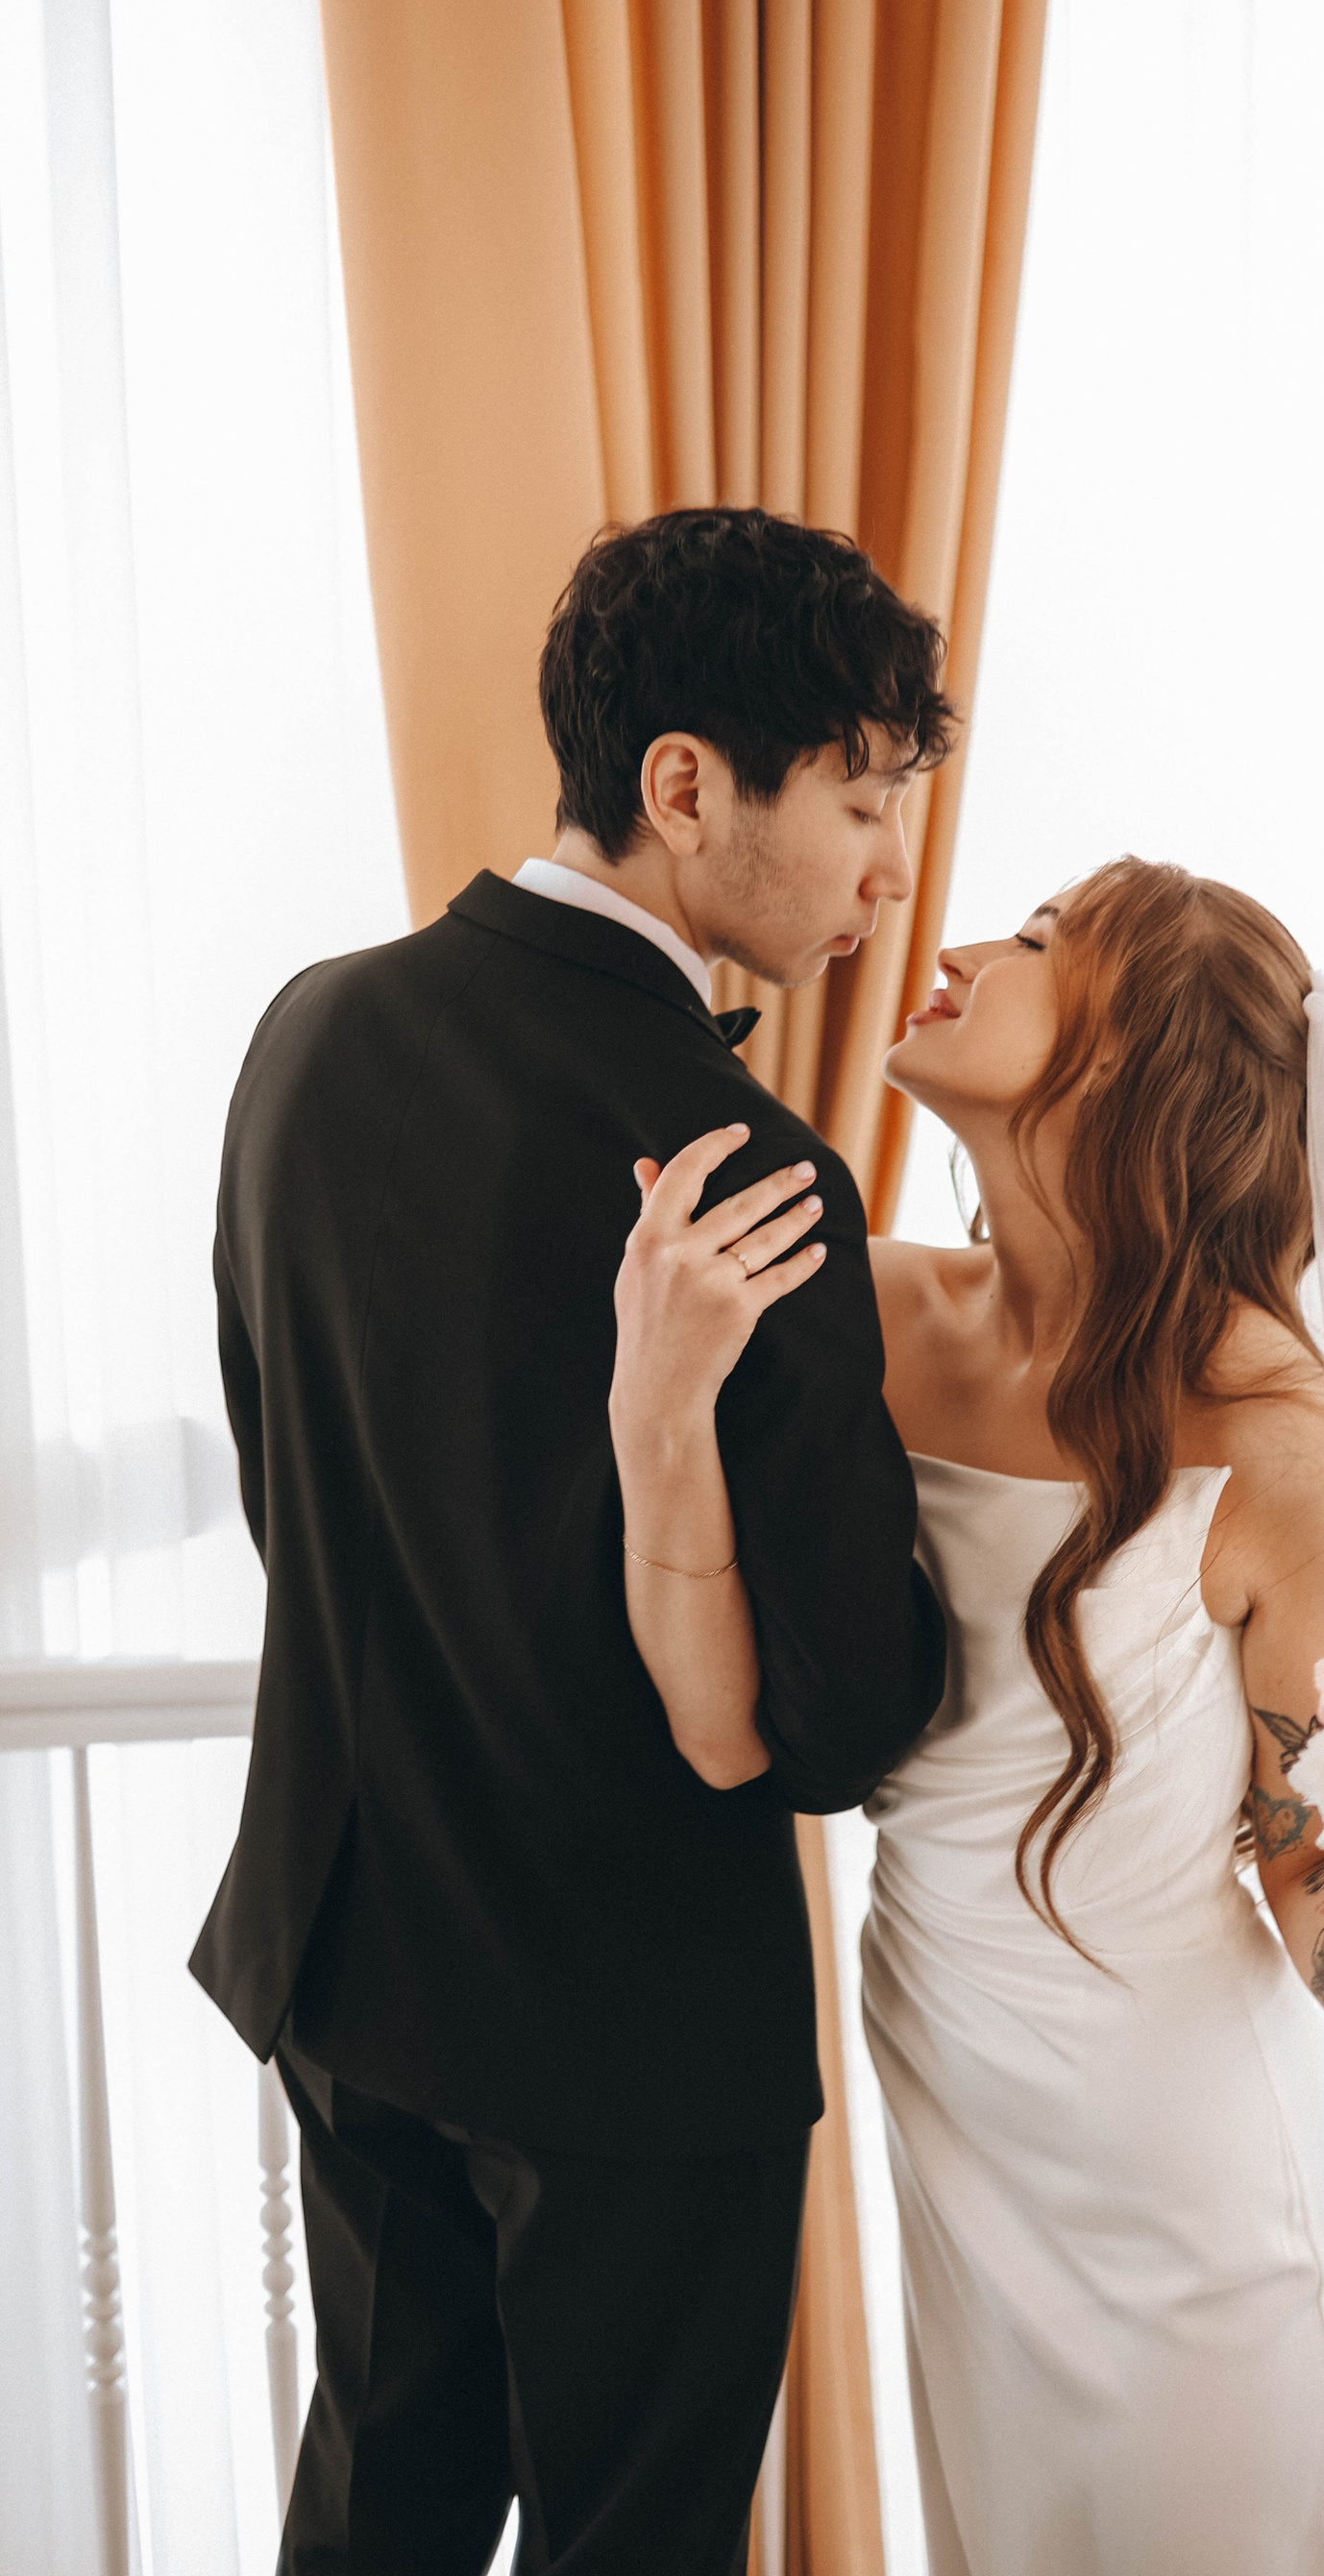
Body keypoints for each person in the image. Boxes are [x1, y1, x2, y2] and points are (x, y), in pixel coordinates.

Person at [189, 507, 952, 2576]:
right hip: (631, 2016)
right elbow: (837, 1726)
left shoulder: (309, 1036)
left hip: (352, 1948)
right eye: (863, 800)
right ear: (686, 784)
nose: (893, 869)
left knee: (378, 2521)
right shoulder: (752, 1177)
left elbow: (288, 1487)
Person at [857, 859, 1324, 2575]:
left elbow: (1313, 1845)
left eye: (1039, 943)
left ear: (1127, 1063)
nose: (961, 946)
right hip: (953, 2143)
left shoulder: (1281, 1437)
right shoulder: (859, 1318)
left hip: (1177, 2198)